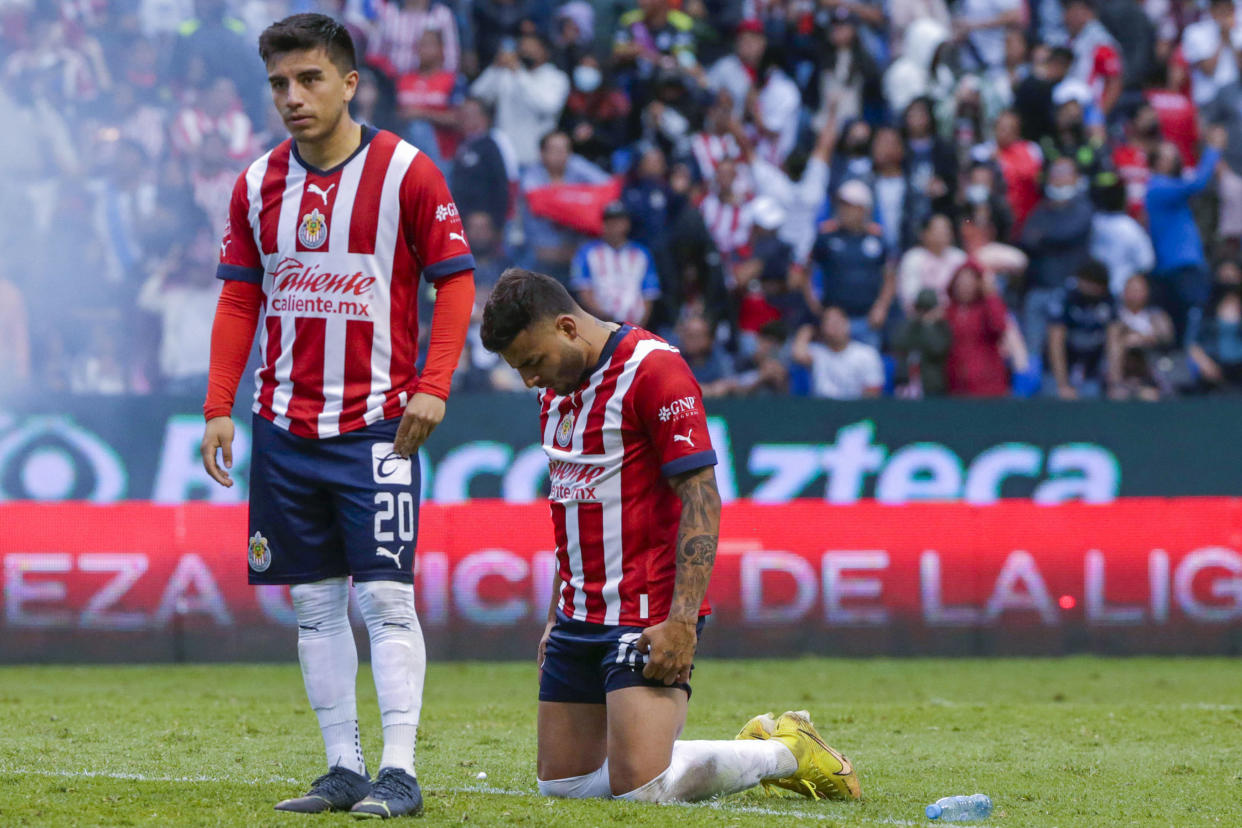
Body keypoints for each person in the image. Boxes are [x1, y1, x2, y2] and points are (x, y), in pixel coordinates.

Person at [199, 14, 476, 819]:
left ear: (350, 82)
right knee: (314, 606)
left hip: (378, 427)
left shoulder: (407, 173)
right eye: (280, 83)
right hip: (283, 428)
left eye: (309, 79)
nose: (293, 97)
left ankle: (400, 771)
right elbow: (240, 294)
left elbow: (455, 281)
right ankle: (342, 767)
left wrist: (435, 383)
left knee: (386, 599)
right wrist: (220, 405)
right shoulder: (256, 185)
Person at [478, 268, 861, 804]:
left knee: (641, 788)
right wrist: (553, 617)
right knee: (561, 786)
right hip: (578, 613)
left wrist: (683, 621)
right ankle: (741, 747)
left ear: (567, 327)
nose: (529, 380)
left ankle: (787, 751)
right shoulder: (559, 391)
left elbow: (701, 495)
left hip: (645, 611)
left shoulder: (653, 370)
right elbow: (573, 510)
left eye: (532, 363)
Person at [810, 180, 895, 350]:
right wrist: (815, 304)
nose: (844, 211)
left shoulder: (877, 238)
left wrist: (882, 306)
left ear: (864, 209)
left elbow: (890, 276)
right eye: (842, 205)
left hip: (867, 319)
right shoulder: (826, 237)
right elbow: (805, 271)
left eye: (850, 206)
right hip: (834, 320)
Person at [569, 201, 661, 326]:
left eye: (619, 221)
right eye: (610, 221)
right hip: (599, 324)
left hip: (634, 326)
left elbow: (649, 294)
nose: (614, 226)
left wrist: (638, 327)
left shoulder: (642, 254)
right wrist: (605, 319)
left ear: (627, 224)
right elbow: (583, 291)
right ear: (603, 224)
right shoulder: (586, 253)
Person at [1047, 260, 1123, 398]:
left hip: (1092, 369)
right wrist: (1062, 384)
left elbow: (1114, 342)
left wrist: (1115, 384)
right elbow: (1056, 343)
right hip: (1061, 368)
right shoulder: (1065, 297)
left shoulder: (1109, 300)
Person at [944, 260, 1011, 396]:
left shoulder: (987, 308)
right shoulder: (947, 312)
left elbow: (999, 327)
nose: (964, 287)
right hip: (956, 387)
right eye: (961, 282)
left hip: (988, 387)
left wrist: (991, 295)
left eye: (970, 282)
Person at [793, 305, 885, 399]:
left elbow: (873, 392)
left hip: (855, 409)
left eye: (838, 322)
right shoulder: (817, 352)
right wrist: (808, 330)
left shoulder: (867, 354)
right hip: (822, 409)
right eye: (829, 323)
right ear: (822, 328)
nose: (835, 327)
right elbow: (798, 355)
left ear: (847, 324)